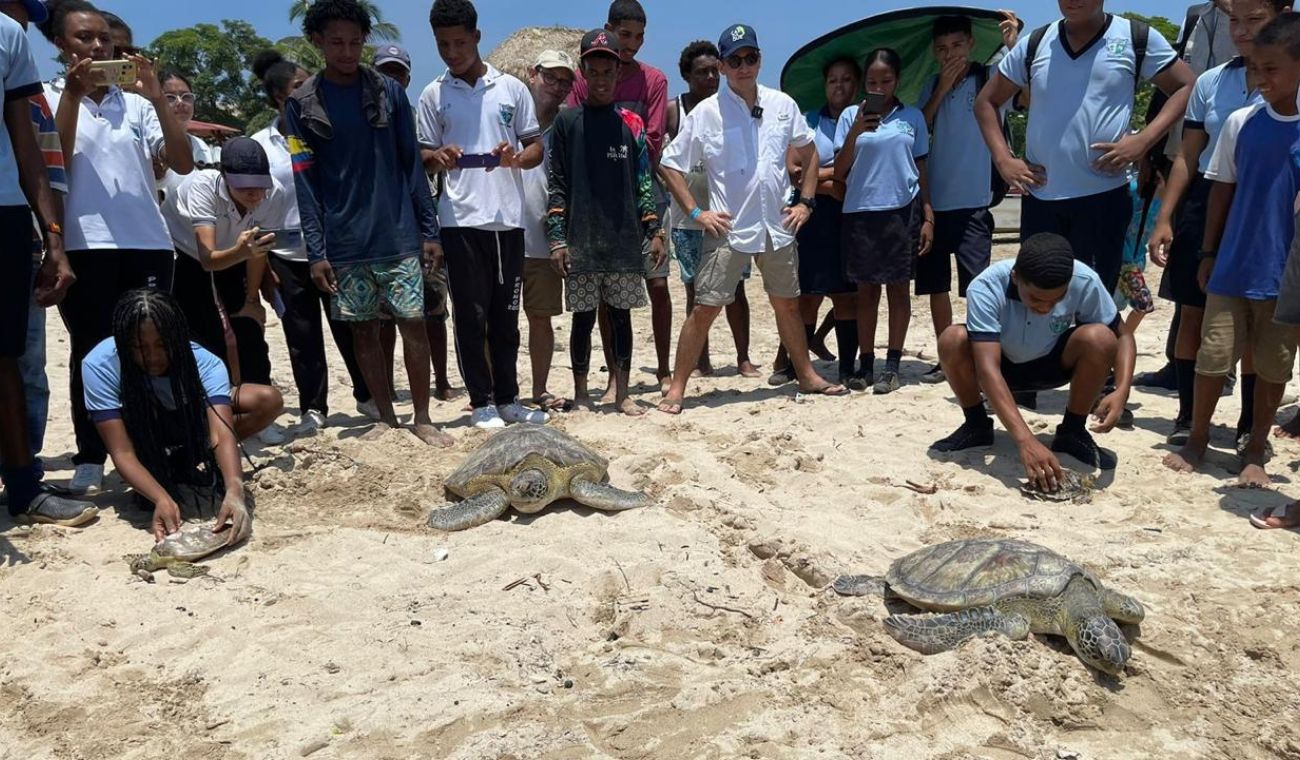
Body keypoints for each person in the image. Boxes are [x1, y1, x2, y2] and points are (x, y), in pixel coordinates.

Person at [39, 0, 195, 495]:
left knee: (153, 346)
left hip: (148, 242)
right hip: (84, 244)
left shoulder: (139, 105)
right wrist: (72, 95)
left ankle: (156, 448)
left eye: (104, 38)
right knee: (92, 350)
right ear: (61, 45)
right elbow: (55, 163)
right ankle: (91, 455)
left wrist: (157, 97)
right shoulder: (47, 96)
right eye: (84, 38)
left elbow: (182, 162)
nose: (97, 46)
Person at [285, 0, 452, 447]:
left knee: (413, 323)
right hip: (343, 239)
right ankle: (385, 417)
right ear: (317, 42)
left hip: (398, 232)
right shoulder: (301, 105)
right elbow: (305, 182)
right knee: (363, 330)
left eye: (355, 42)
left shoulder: (389, 93)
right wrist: (316, 252)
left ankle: (422, 417)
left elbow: (411, 164)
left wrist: (429, 230)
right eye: (336, 42)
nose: (346, 51)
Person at [658, 23, 848, 414]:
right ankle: (677, 388)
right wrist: (696, 212)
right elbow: (669, 164)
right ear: (723, 67)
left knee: (788, 305)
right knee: (705, 308)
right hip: (729, 226)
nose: (743, 66)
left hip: (777, 224)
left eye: (750, 57)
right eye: (735, 60)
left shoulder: (782, 104)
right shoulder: (706, 113)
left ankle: (807, 375)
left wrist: (806, 202)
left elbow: (809, 153)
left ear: (760, 60)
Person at [1163, 12, 1300, 488]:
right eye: (1256, 68)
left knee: (1272, 366)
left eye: (1272, 69)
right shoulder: (1242, 123)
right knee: (1213, 356)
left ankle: (1256, 446)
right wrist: (1207, 253)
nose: (1261, 78)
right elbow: (1221, 190)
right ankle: (1198, 438)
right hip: (1232, 264)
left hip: (1286, 275)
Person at [975, 1, 1195, 298]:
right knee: (1038, 299)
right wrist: (1003, 159)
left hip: (1104, 198)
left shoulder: (1135, 37)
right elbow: (986, 102)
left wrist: (1144, 140)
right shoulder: (1035, 44)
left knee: (1093, 302)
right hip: (1042, 199)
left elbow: (1186, 85)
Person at [1148, 0, 1281, 445]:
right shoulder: (1211, 80)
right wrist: (1165, 217)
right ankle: (1188, 417)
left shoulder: (1291, 80)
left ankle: (1249, 426)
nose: (1240, 30)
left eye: (1254, 20)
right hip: (1205, 199)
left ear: (1282, 15)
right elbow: (1188, 155)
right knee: (1192, 310)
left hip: (1265, 200)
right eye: (1234, 20)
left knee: (1257, 316)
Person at [419, 0, 548, 429]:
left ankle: (509, 398)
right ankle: (481, 402)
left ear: (477, 37)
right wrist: (437, 156)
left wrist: (517, 159)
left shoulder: (511, 88)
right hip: (459, 220)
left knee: (506, 316)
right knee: (470, 317)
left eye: (459, 42)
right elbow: (421, 156)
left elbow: (535, 147)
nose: (452, 52)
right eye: (443, 44)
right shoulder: (433, 94)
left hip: (508, 219)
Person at [931, 234, 1134, 487]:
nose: (1045, 308)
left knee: (1101, 338)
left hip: (1054, 364)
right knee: (952, 339)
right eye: (1036, 299)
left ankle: (1073, 432)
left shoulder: (1084, 279)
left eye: (1056, 300)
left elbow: (1123, 336)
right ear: (1016, 277)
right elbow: (987, 368)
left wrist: (1122, 390)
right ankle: (976, 425)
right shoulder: (986, 286)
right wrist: (1026, 441)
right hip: (1000, 368)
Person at [86, 289, 281, 542]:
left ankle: (186, 458)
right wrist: (161, 499)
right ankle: (159, 468)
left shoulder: (205, 362)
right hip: (140, 429)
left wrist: (234, 489)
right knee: (153, 490)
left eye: (163, 345)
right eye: (140, 348)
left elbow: (221, 433)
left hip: (188, 420)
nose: (153, 357)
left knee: (268, 399)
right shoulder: (99, 364)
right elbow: (121, 452)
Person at [0, 5, 94, 525]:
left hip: (5, 211)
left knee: (6, 356)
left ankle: (23, 488)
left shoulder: (8, 35)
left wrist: (53, 236)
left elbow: (27, 146)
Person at [250, 50, 377, 433]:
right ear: (279, 96)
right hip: (283, 254)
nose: (311, 91)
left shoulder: (329, 133)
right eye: (300, 86)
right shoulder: (260, 145)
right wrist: (262, 264)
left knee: (348, 325)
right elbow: (253, 208)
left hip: (333, 249)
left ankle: (367, 394)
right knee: (301, 335)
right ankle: (313, 407)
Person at [547, 30, 661, 416]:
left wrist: (654, 229)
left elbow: (644, 182)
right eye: (593, 72)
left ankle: (622, 393)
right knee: (582, 320)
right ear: (583, 72)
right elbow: (557, 184)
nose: (600, 80)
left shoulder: (632, 123)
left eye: (607, 72)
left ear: (617, 73)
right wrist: (558, 240)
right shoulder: (566, 122)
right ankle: (581, 393)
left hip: (624, 240)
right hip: (580, 239)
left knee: (621, 319)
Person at [568, 0, 673, 394]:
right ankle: (615, 372)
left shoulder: (654, 80)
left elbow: (654, 140)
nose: (632, 44)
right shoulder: (587, 75)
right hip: (599, 199)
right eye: (625, 34)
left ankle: (663, 368)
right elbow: (577, 133)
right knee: (606, 294)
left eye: (639, 37)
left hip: (644, 190)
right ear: (608, 30)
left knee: (658, 285)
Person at [1138, 0, 1238, 391]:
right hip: (1190, 156)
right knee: (1188, 276)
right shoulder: (1196, 15)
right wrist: (1152, 152)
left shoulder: (1258, 16)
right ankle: (1178, 367)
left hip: (1240, 170)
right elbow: (1175, 85)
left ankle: (1223, 368)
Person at [915, 13, 1019, 385]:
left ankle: (980, 357)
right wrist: (942, 88)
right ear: (934, 52)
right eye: (942, 48)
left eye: (957, 45)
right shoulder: (930, 84)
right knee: (936, 287)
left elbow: (1025, 88)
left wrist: (1013, 44)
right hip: (935, 202)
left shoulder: (989, 78)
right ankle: (947, 358)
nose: (950, 53)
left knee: (977, 287)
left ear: (972, 44)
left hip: (975, 200)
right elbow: (919, 127)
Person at [833, 47, 934, 395]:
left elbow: (921, 168)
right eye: (872, 82)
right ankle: (866, 363)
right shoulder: (850, 116)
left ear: (897, 80)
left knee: (898, 288)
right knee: (866, 291)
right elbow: (840, 169)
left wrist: (929, 215)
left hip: (902, 210)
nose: (879, 88)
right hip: (860, 210)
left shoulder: (913, 117)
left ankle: (892, 366)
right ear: (864, 82)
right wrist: (855, 131)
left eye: (886, 81)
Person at [161, 137, 289, 395]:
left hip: (237, 249)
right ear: (225, 176)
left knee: (248, 322)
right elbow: (208, 259)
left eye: (260, 185)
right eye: (244, 187)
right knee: (204, 328)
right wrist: (242, 252)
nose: (254, 194)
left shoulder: (275, 193)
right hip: (185, 250)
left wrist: (251, 300)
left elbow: (258, 250)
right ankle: (214, 397)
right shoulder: (202, 187)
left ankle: (257, 394)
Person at [665, 40, 760, 381]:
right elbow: (663, 162)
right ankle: (699, 360)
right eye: (700, 72)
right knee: (696, 290)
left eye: (712, 71)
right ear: (686, 76)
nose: (709, 78)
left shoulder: (733, 107)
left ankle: (743, 358)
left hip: (728, 217)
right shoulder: (674, 111)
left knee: (736, 289)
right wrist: (686, 206)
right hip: (687, 219)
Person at [373, 42, 459, 403]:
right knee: (384, 317)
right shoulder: (366, 121)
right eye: (385, 72)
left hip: (422, 226)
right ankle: (389, 386)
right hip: (381, 231)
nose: (392, 79)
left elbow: (427, 166)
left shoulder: (415, 116)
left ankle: (442, 380)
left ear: (407, 78)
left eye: (398, 72)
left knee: (434, 309)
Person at [772, 56, 860, 386]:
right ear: (825, 85)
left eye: (847, 79)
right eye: (833, 79)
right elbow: (793, 172)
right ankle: (795, 365)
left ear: (857, 84)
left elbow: (860, 175)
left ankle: (847, 369)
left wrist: (819, 174)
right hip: (813, 216)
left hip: (851, 217)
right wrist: (833, 180)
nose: (839, 85)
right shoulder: (809, 120)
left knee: (847, 296)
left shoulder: (866, 122)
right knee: (807, 295)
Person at [521, 49, 576, 412]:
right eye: (550, 77)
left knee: (541, 318)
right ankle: (495, 390)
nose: (557, 86)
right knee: (498, 319)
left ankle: (539, 389)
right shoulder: (509, 116)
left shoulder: (568, 126)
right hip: (503, 232)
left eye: (565, 81)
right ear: (533, 74)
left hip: (546, 238)